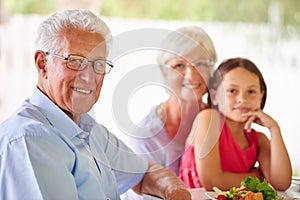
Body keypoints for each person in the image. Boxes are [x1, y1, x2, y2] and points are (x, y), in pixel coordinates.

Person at [0, 9, 191, 200]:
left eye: (98, 64)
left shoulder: (88, 129)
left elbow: (145, 174)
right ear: (43, 64)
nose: (88, 76)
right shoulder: (30, 139)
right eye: (75, 61)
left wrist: (174, 192)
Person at [122, 26, 217, 199]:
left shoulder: (221, 122)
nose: (191, 74)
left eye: (201, 63)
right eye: (179, 65)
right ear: (164, 73)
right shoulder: (146, 137)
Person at [178, 57, 292, 191]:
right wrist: (259, 177)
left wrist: (274, 129)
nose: (242, 99)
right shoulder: (209, 119)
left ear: (261, 95)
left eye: (251, 92)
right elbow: (213, 182)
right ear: (214, 96)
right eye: (232, 91)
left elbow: (282, 183)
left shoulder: (258, 139)